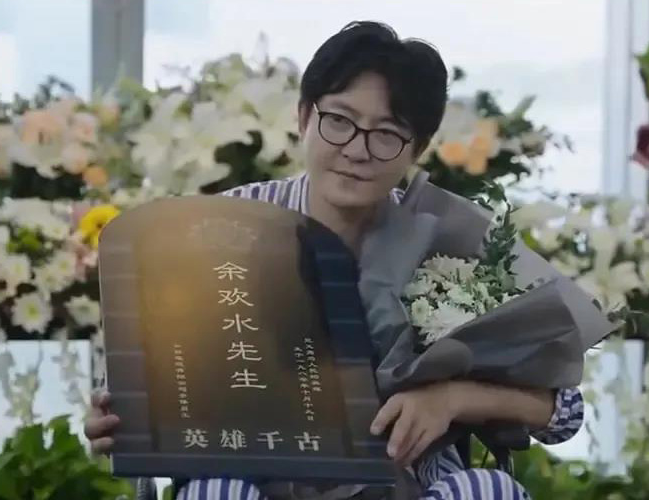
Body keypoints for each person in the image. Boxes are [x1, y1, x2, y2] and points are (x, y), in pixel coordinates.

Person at [85, 21, 583, 499]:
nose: (357, 150)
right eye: (339, 121)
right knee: (217, 490)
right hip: (252, 477)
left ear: (418, 148)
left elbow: (565, 412)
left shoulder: (448, 244)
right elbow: (146, 382)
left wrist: (452, 398)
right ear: (304, 117)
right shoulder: (221, 228)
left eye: (386, 133)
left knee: (488, 490)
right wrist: (116, 420)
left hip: (407, 481)